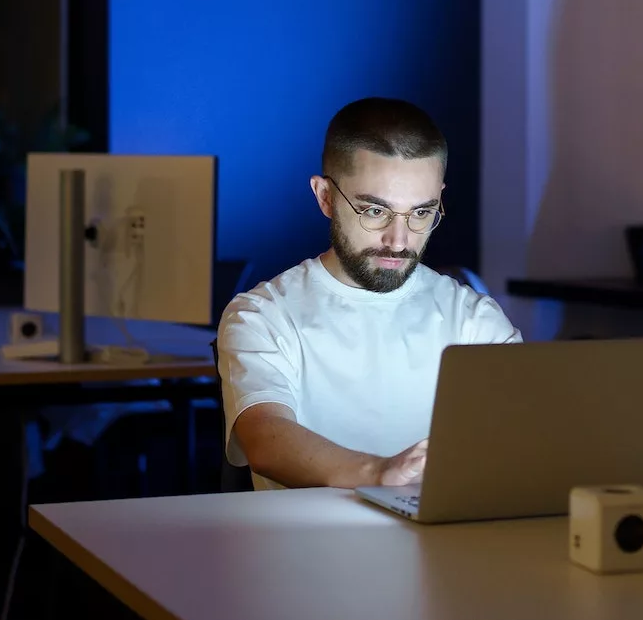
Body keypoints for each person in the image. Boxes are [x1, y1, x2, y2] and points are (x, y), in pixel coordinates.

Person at [217, 97, 521, 489]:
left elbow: (531, 427)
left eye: (422, 212)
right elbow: (263, 437)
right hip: (307, 545)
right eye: (375, 211)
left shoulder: (473, 318)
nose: (399, 240)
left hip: (447, 542)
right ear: (325, 196)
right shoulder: (262, 315)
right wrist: (379, 474)